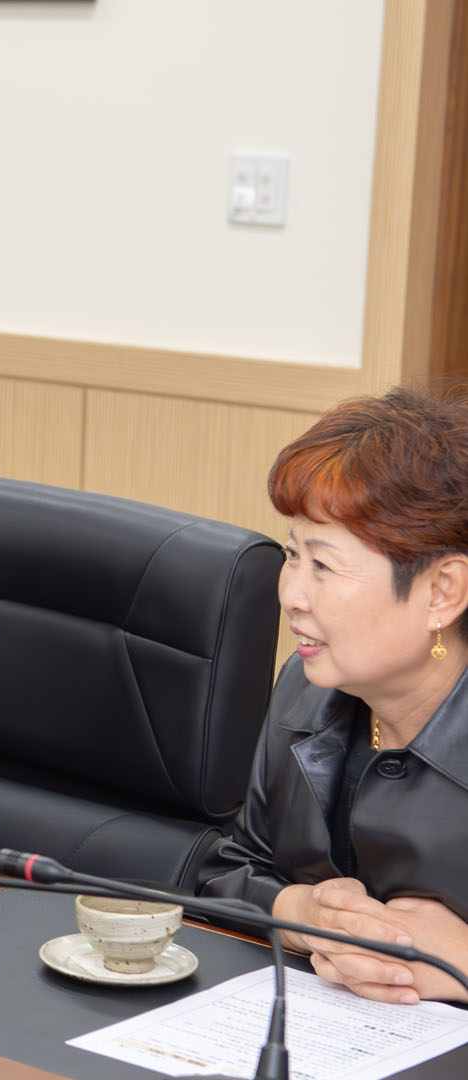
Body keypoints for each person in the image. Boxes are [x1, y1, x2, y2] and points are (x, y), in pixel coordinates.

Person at [202, 386, 468, 1004]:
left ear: (442, 592)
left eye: (323, 566)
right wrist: (304, 913)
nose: (292, 594)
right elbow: (227, 872)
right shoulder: (307, 687)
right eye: (293, 556)